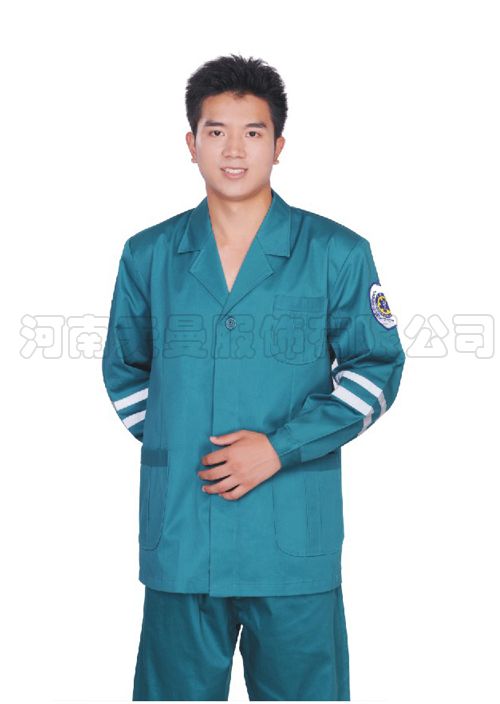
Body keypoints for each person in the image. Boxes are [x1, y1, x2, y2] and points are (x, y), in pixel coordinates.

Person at [102, 53, 406, 701]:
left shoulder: (336, 252)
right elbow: (125, 367)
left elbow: (377, 366)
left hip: (291, 541)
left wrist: (279, 448)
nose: (234, 150)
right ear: (191, 144)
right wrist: (179, 441)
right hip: (183, 536)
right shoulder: (148, 254)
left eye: (253, 132)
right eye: (216, 131)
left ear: (279, 145)